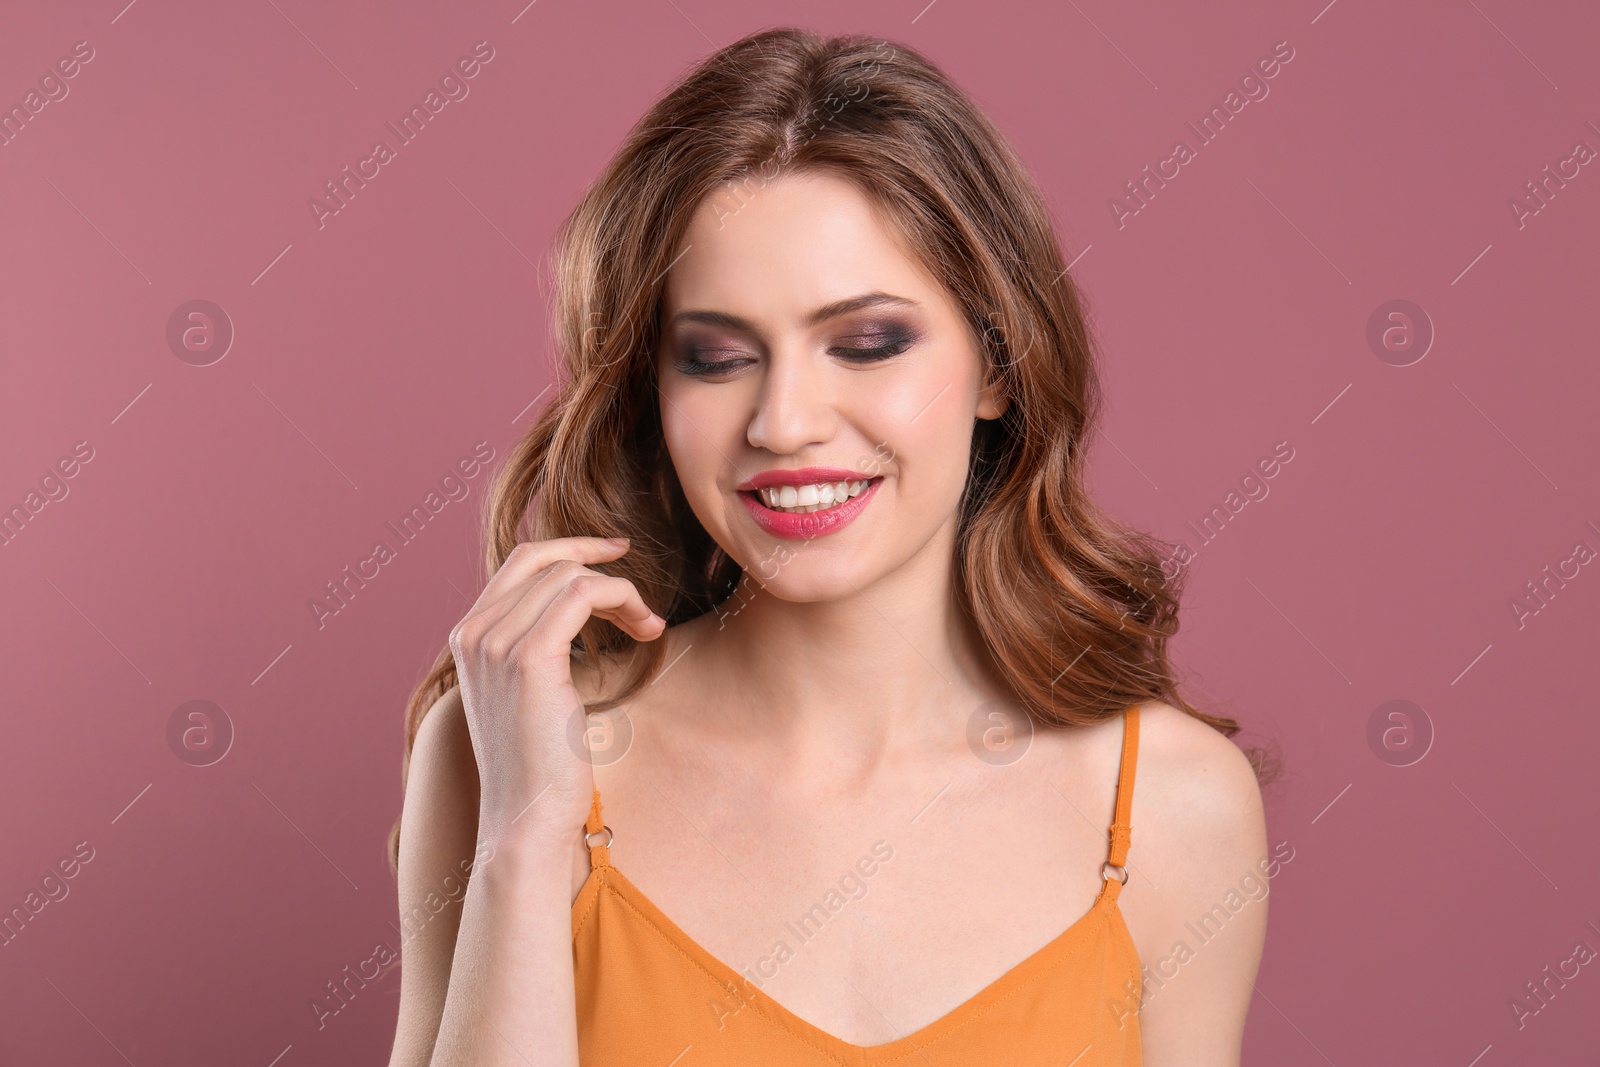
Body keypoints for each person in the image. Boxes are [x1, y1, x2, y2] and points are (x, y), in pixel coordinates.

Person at [386, 27, 1274, 1067]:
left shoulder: (1176, 805)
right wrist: (524, 840)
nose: (785, 421)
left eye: (865, 343)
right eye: (716, 358)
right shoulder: (502, 753)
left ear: (997, 363)